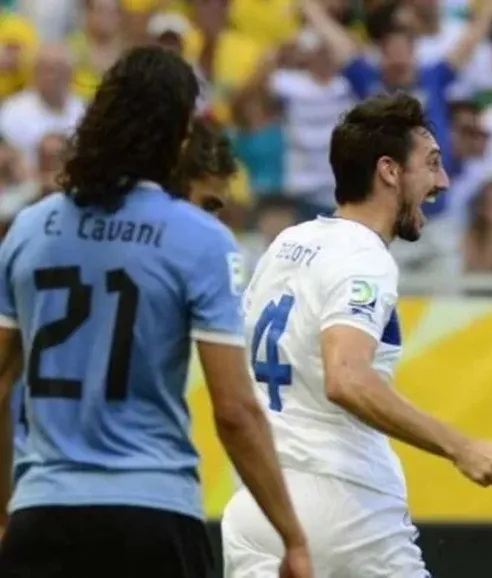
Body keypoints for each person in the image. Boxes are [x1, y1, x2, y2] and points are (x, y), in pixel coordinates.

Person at [0, 46, 312, 578]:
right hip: (152, 513)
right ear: (178, 134)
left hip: (42, 514)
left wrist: (8, 507)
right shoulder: (200, 239)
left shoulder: (29, 229)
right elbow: (234, 412)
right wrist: (293, 537)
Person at [220, 92, 492, 577]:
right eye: (432, 164)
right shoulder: (363, 258)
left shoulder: (288, 243)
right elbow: (346, 378)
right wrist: (460, 447)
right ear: (389, 171)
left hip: (257, 504)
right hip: (343, 505)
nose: (442, 181)